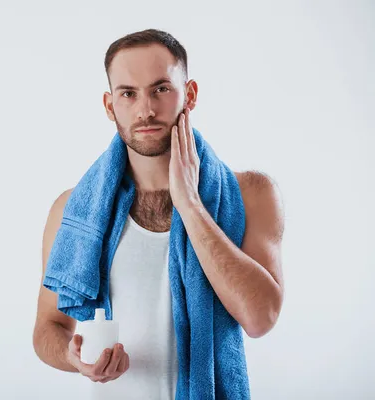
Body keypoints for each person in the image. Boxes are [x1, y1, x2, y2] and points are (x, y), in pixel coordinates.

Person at [32, 28, 285, 399]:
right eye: (128, 94)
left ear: (190, 94)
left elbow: (261, 318)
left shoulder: (251, 194)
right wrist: (76, 360)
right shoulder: (73, 211)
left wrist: (191, 205)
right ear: (109, 105)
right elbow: (48, 327)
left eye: (161, 89)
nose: (145, 109)